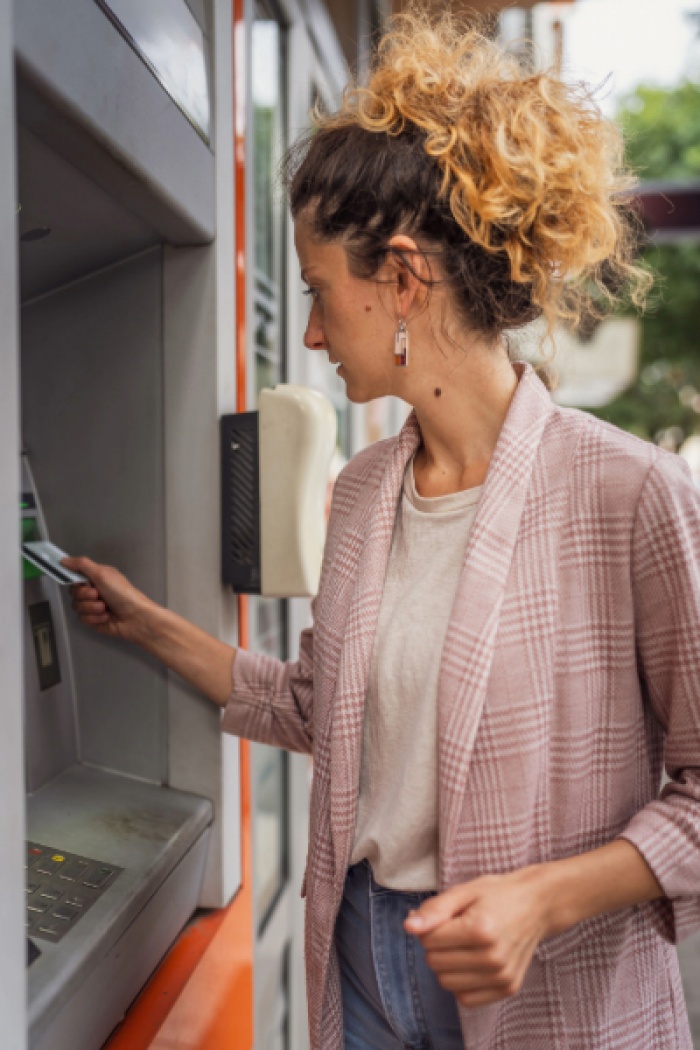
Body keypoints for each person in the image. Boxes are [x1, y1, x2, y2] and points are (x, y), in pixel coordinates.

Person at [65, 11, 700, 1050]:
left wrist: (543, 900)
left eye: (321, 294)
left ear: (402, 279)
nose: (309, 331)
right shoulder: (365, 492)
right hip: (359, 956)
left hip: (545, 994)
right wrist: (142, 625)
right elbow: (318, 706)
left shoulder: (628, 493)